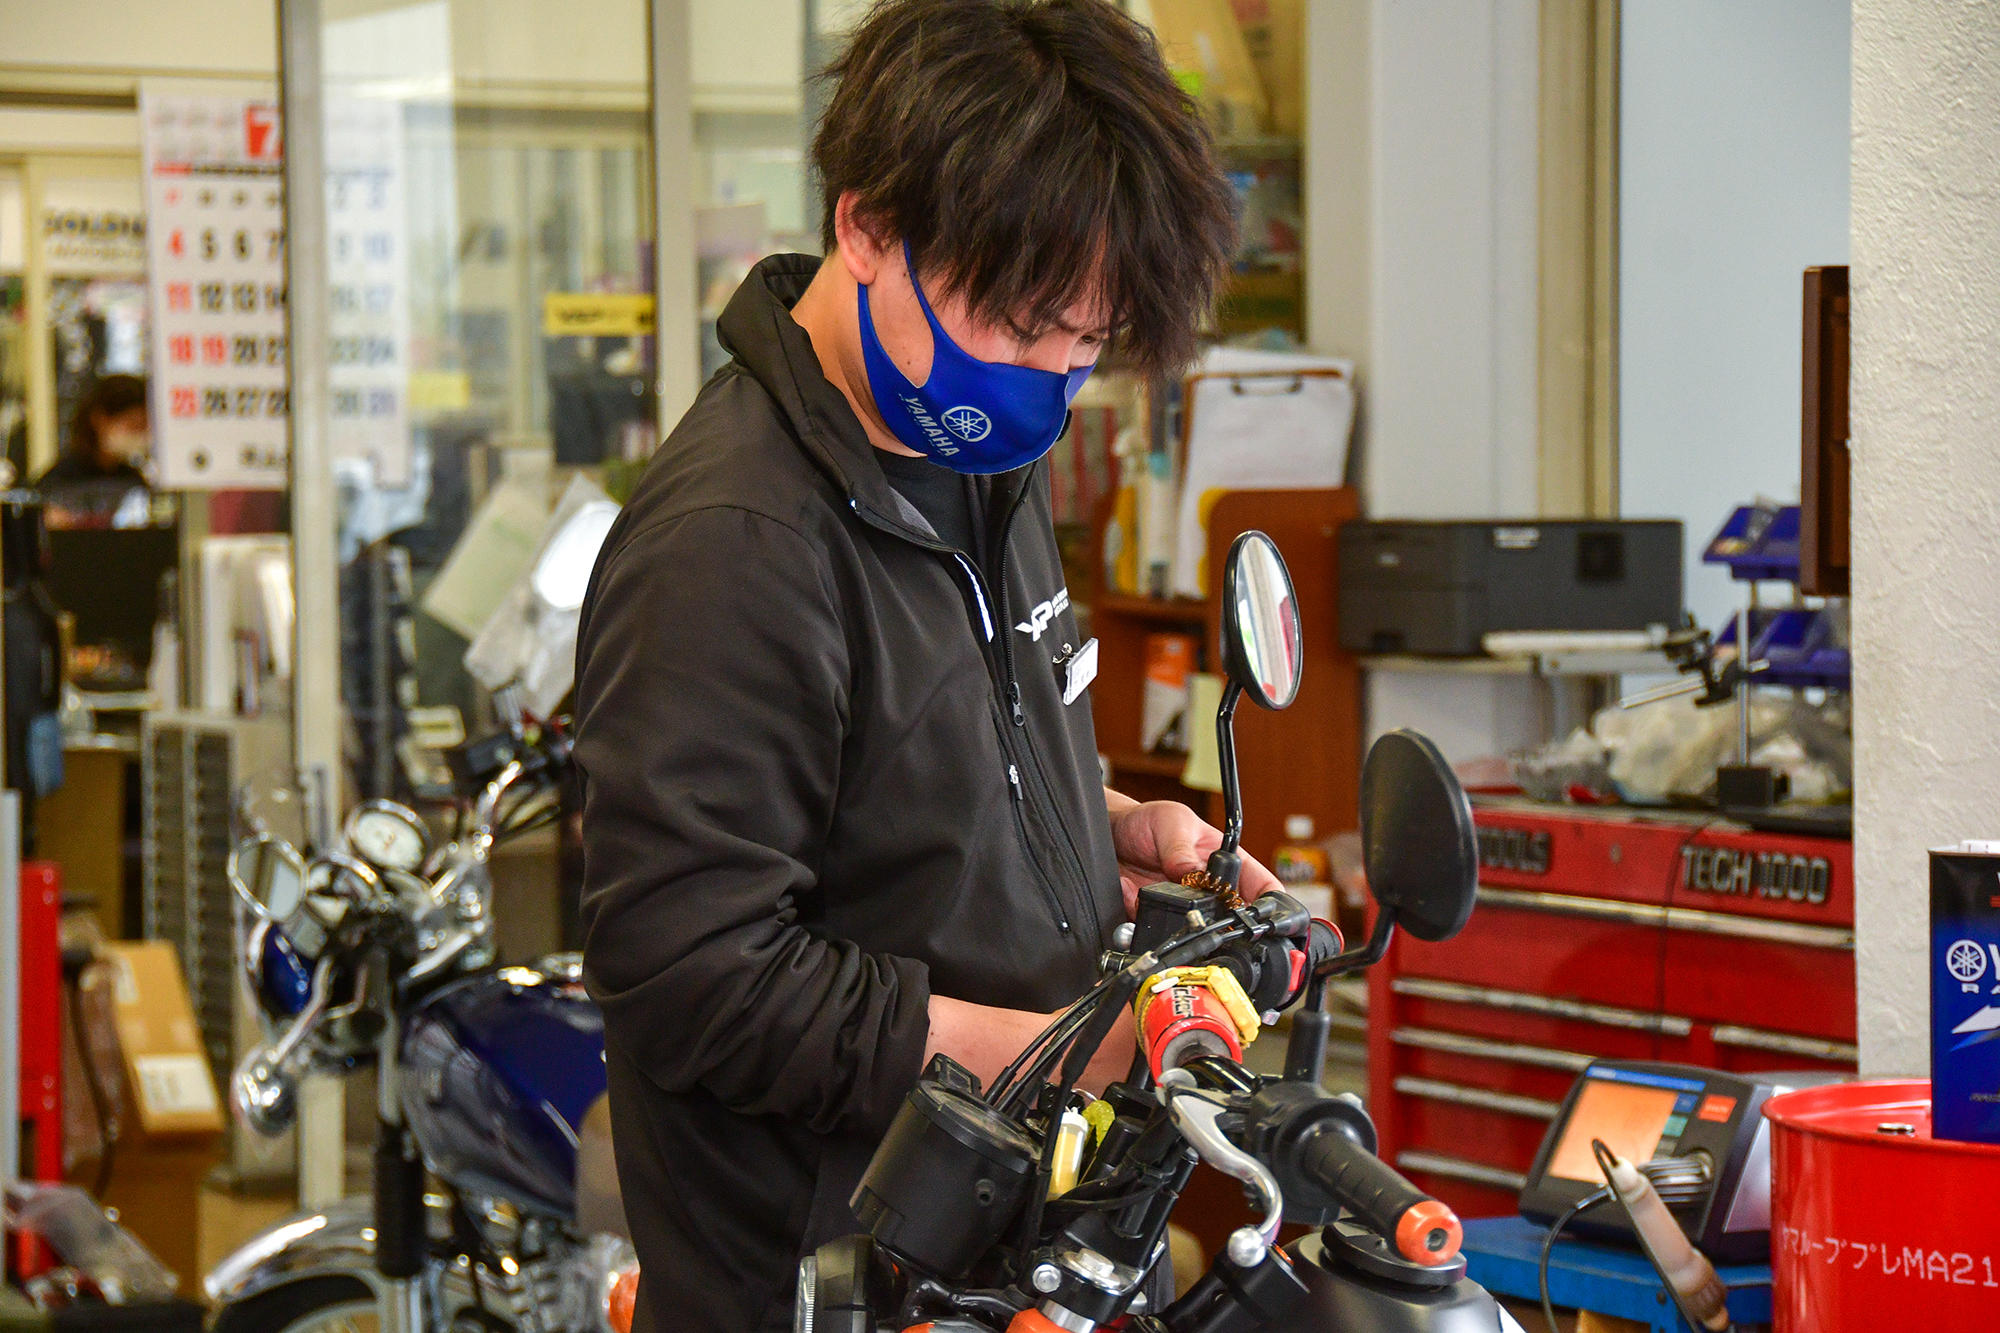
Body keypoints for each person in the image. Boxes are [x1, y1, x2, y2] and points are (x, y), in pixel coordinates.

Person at [573, 2, 1265, 1327]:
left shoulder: (966, 459)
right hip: (824, 1280)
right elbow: (691, 973)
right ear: (868, 225)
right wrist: (1066, 1054)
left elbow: (913, 758)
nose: (1048, 384)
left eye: (1085, 343)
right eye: (1018, 325)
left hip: (996, 1259)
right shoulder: (733, 542)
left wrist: (1104, 824)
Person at [34, 374, 152, 528]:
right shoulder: (59, 482)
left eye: (144, 427)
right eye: (134, 426)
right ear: (100, 420)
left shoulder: (134, 480)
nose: (140, 435)